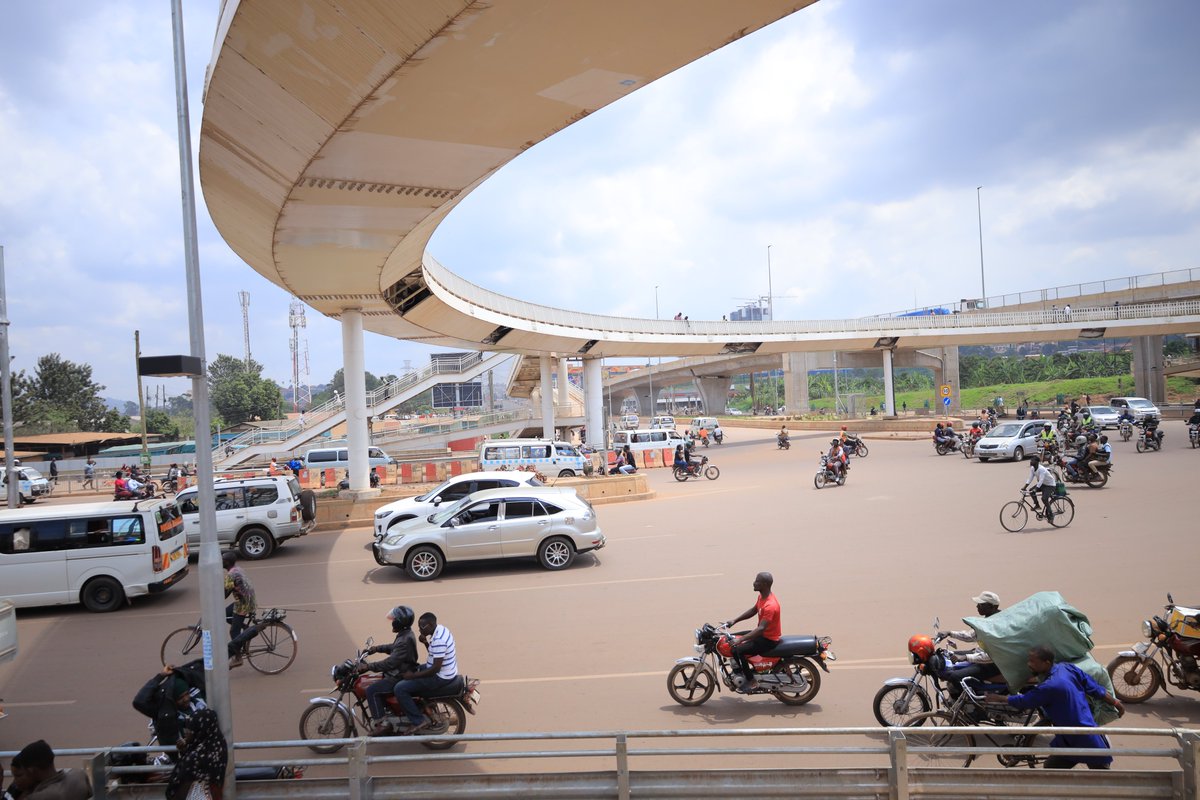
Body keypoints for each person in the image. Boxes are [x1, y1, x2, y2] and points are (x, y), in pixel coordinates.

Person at [986, 646, 1123, 769]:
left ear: (1046, 663)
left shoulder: (1050, 686)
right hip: (1070, 737)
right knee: (1052, 768)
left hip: (1082, 738)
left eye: (1033, 662)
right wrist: (1116, 703)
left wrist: (999, 698)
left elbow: (1025, 701)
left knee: (1101, 776)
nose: (1029, 664)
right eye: (1029, 660)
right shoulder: (1067, 668)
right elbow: (1095, 689)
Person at [393, 612, 459, 735]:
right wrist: (425, 643)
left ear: (431, 625)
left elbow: (435, 669)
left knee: (400, 688)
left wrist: (412, 676)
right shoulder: (441, 630)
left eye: (421, 627)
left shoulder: (439, 639)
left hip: (440, 676)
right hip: (446, 670)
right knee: (413, 668)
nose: (419, 629)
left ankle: (418, 721)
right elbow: (435, 654)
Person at [358, 606, 419, 735]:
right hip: (402, 670)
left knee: (372, 690)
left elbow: (391, 663)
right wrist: (375, 649)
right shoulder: (405, 634)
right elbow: (393, 647)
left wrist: (369, 666)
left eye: (394, 619)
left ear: (399, 622)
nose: (392, 622)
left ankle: (383, 723)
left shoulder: (404, 639)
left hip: (399, 675)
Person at [723, 572, 781, 691]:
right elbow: (754, 610)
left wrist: (740, 640)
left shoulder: (770, 605)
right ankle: (739, 670)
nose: (754, 583)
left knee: (737, 650)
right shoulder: (762, 597)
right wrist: (734, 620)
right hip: (762, 634)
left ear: (764, 584)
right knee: (731, 637)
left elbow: (761, 629)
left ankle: (751, 680)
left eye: (757, 581)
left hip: (768, 639)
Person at [940, 591, 1005, 684]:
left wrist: (965, 657)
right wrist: (949, 633)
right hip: (980, 655)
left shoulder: (998, 626)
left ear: (992, 606)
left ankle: (964, 697)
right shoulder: (989, 620)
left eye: (981, 604)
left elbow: (993, 656)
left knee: (954, 676)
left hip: (991, 665)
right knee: (947, 655)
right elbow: (970, 636)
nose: (977, 606)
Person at [165, 708, 228, 800]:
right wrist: (184, 750)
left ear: (200, 729)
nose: (187, 733)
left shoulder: (203, 752)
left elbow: (186, 772)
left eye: (191, 729)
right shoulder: (216, 743)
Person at [6, 740, 91, 800]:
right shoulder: (78, 775)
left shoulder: (38, 797)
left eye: (19, 775)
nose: (15, 781)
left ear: (31, 770)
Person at [222, 552, 256, 666]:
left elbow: (224, 594)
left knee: (233, 631)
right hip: (249, 600)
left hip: (243, 604)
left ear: (227, 562)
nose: (221, 561)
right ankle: (245, 628)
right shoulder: (238, 569)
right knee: (225, 615)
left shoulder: (230, 575)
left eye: (223, 560)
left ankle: (238, 657)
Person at [1023, 455, 1057, 523]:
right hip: (1043, 485)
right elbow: (1030, 478)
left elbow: (1041, 480)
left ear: (1037, 462)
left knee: (1044, 499)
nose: (1031, 461)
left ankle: (1051, 515)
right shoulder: (1033, 468)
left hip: (1050, 485)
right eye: (1031, 460)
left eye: (1032, 460)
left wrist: (1036, 489)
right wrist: (1024, 487)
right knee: (1031, 491)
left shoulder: (1042, 469)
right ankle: (1037, 505)